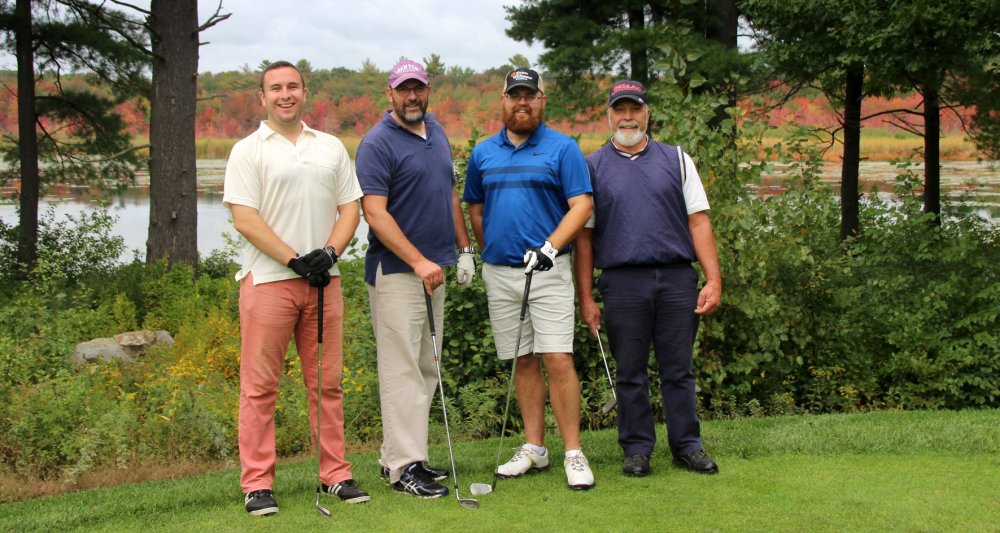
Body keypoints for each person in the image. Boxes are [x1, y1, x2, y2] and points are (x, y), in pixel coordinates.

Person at [223, 61, 370, 516]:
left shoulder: (329, 146)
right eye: (275, 88)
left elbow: (351, 208)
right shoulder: (248, 151)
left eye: (292, 86)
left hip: (324, 283)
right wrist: (293, 259)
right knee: (259, 389)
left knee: (326, 385)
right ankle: (257, 484)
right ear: (262, 97)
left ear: (305, 92)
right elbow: (244, 218)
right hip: (269, 283)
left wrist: (329, 252)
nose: (285, 94)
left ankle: (335, 474)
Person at [574, 80, 722, 478]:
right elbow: (584, 237)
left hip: (676, 278)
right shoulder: (591, 167)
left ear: (647, 113)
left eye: (634, 109)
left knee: (679, 369)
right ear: (609, 115)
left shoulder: (677, 159)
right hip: (622, 282)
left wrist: (713, 279)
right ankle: (637, 449)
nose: (628, 117)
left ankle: (687, 446)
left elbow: (699, 221)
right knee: (630, 372)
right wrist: (585, 297)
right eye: (619, 110)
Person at [464, 68, 595, 490]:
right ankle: (535, 448)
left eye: (530, 95)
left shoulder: (563, 148)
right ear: (503, 100)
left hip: (549, 269)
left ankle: (573, 453)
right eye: (514, 95)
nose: (522, 102)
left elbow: (582, 206)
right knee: (521, 359)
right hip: (501, 274)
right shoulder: (483, 153)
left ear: (541, 100)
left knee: (557, 357)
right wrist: (491, 251)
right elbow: (476, 209)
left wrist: (550, 248)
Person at [355, 58, 476, 499]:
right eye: (404, 89)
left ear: (427, 91)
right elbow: (375, 213)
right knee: (401, 370)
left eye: (418, 88)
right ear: (389, 94)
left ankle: (406, 456)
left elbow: (449, 193)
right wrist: (419, 261)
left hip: (434, 270)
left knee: (425, 368)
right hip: (397, 273)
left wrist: (464, 249)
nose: (412, 96)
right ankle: (404, 467)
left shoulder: (437, 131)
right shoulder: (376, 143)